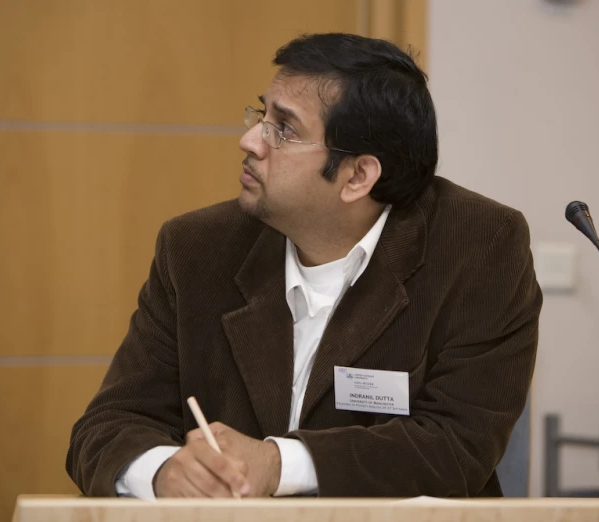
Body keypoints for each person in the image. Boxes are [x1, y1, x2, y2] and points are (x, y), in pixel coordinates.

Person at [66, 32, 542, 499]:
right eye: (261, 115)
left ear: (358, 175)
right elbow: (107, 426)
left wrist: (278, 464)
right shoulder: (195, 248)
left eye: (284, 129)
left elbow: (458, 445)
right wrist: (162, 473)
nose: (250, 140)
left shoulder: (480, 246)